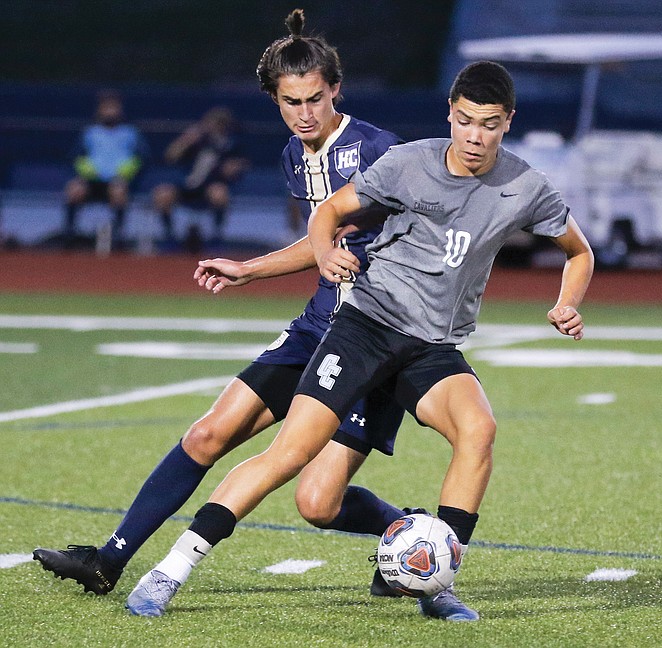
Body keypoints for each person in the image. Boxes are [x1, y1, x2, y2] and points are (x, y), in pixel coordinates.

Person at [124, 60, 594, 622]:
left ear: (508, 122)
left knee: (479, 429)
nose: (474, 136)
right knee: (290, 458)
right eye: (465, 120)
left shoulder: (525, 185)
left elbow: (579, 250)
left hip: (431, 347)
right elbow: (329, 212)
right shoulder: (407, 163)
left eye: (489, 124)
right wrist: (324, 254)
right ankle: (169, 571)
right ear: (450, 112)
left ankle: (437, 577)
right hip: (365, 329)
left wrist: (568, 301)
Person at [33, 8, 416, 604]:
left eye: (315, 98)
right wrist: (249, 269)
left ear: (335, 90)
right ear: (275, 100)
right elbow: (322, 245)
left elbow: (412, 227)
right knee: (209, 433)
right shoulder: (295, 156)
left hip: (375, 338)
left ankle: (407, 530)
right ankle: (107, 561)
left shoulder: (376, 149)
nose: (305, 113)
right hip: (319, 323)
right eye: (291, 102)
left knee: (318, 504)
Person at [151, 106, 249, 246]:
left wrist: (234, 167)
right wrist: (185, 140)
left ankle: (217, 235)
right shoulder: (196, 142)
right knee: (162, 193)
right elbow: (170, 156)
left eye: (221, 123)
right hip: (187, 184)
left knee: (219, 193)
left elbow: (241, 164)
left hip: (211, 186)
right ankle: (169, 235)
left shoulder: (231, 145)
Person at [62, 90, 148, 247]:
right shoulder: (90, 132)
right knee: (74, 189)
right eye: (106, 108)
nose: (110, 112)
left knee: (118, 191)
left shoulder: (130, 133)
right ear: (99, 110)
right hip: (92, 181)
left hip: (117, 181)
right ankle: (69, 233)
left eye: (113, 108)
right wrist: (85, 170)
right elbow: (75, 157)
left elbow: (142, 158)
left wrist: (127, 172)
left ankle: (119, 234)